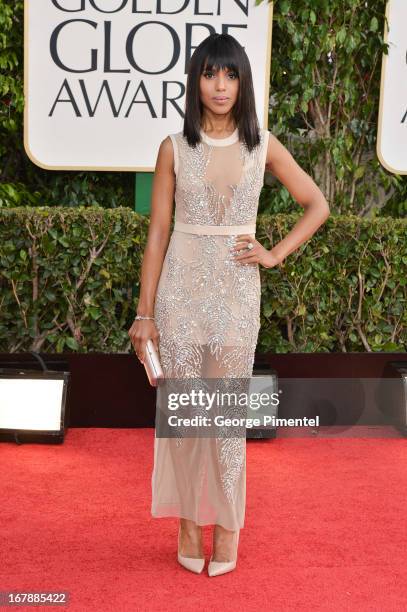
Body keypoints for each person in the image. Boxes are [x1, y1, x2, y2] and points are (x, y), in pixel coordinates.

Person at [128, 33, 330, 577]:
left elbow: (317, 204)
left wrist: (274, 254)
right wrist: (145, 314)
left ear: (243, 83)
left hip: (237, 296)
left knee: (224, 417)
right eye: (211, 74)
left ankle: (230, 528)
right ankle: (189, 526)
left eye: (231, 75)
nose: (221, 86)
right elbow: (158, 232)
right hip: (179, 294)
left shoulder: (263, 145)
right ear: (196, 81)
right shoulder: (174, 146)